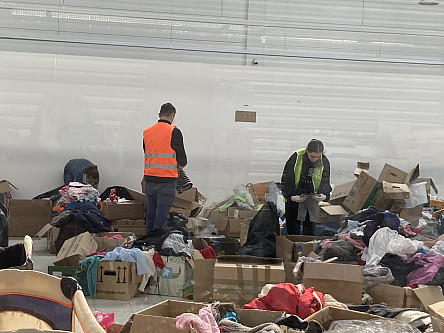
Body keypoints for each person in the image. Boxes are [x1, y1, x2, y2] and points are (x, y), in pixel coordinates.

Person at [143, 103, 187, 232]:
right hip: (167, 181)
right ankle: (156, 243)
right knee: (162, 215)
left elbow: (147, 152)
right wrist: (177, 166)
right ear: (172, 115)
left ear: (159, 115)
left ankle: (147, 241)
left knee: (151, 213)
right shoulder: (174, 131)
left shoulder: (147, 132)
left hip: (150, 179)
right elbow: (183, 159)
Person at [281, 139, 332, 235]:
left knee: (309, 229)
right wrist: (290, 196)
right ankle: (293, 247)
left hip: (312, 199)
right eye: (312, 156)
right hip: (295, 198)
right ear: (307, 150)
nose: (314, 159)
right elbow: (286, 178)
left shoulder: (324, 161)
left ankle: (306, 247)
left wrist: (324, 195)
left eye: (318, 157)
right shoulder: (296, 157)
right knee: (293, 228)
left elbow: (325, 180)